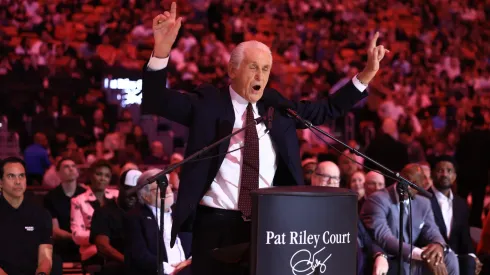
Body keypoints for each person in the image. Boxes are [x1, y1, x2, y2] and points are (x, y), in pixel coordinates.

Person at [144, 2, 389, 274]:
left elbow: (326, 109)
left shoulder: (278, 109)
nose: (260, 75)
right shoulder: (208, 104)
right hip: (215, 225)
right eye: (253, 67)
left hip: (268, 225)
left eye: (265, 68)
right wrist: (162, 50)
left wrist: (365, 75)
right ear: (232, 70)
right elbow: (157, 100)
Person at [361, 163, 459, 275]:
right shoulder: (378, 199)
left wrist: (438, 245)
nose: (407, 185)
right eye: (406, 179)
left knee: (449, 258)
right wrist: (421, 254)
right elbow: (384, 237)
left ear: (423, 185)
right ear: (399, 176)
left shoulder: (424, 203)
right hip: (388, 257)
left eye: (414, 184)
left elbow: (432, 231)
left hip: (413, 261)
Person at [124, 169, 192, 275]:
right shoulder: (135, 218)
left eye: (167, 185)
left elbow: (198, 244)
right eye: (159, 187)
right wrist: (171, 271)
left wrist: (189, 263)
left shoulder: (182, 213)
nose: (168, 190)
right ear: (145, 196)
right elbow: (139, 255)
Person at [428, 155, 482, 275]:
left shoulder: (461, 203)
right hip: (432, 257)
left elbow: (465, 237)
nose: (445, 174)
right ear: (432, 174)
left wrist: (473, 256)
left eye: (449, 171)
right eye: (440, 170)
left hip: (456, 257)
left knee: (470, 262)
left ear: (455, 176)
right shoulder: (423, 199)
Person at [0, 157, 53, 275]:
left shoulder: (41, 214)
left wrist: (42, 273)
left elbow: (45, 256)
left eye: (21, 176)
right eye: (11, 176)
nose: (18, 181)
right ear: (1, 182)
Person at [90, 169, 142, 275]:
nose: (133, 195)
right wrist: (128, 262)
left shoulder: (144, 212)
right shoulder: (104, 212)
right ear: (119, 187)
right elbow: (103, 246)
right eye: (129, 190)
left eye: (136, 191)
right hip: (118, 262)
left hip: (143, 260)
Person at [70, 159, 118, 266]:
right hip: (92, 249)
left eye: (107, 176)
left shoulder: (116, 196)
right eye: (99, 174)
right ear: (91, 175)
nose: (102, 179)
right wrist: (101, 238)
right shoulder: (78, 201)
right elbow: (77, 235)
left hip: (117, 247)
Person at [44, 157, 86, 262]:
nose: (71, 169)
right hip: (63, 245)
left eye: (73, 166)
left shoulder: (86, 194)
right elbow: (55, 230)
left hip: (85, 243)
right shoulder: (51, 197)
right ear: (58, 173)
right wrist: (74, 237)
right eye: (66, 167)